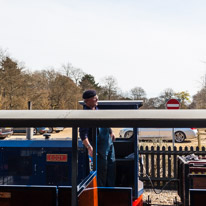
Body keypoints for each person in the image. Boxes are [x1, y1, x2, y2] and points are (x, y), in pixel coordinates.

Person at [79, 89, 116, 187]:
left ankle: (112, 191)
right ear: (87, 101)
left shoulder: (98, 110)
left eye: (96, 97)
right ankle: (101, 194)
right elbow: (83, 134)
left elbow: (106, 123)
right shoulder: (85, 115)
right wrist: (89, 147)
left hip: (109, 145)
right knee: (101, 171)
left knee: (111, 168)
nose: (97, 99)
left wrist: (111, 132)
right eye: (94, 98)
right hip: (98, 149)